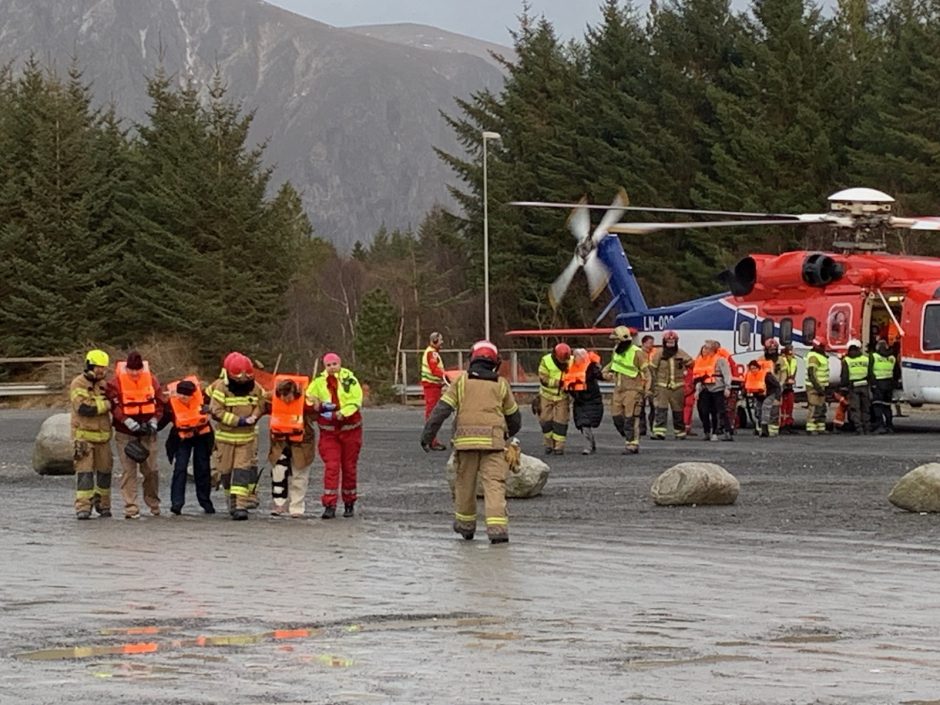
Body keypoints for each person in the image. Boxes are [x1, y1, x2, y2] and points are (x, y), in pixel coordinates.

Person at [420, 340, 521, 544]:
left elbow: (441, 410)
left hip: (465, 444)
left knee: (465, 485)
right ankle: (497, 530)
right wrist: (507, 434)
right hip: (493, 445)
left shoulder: (461, 382)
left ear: (472, 359)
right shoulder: (501, 384)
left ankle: (466, 527)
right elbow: (514, 416)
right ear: (495, 361)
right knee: (494, 486)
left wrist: (428, 436)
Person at [206, 352, 265, 520]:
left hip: (246, 438)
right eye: (239, 378)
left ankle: (241, 505)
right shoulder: (221, 387)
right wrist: (238, 421)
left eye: (246, 378)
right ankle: (231, 500)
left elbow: (261, 404)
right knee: (225, 471)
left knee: (242, 470)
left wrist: (254, 416)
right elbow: (216, 411)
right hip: (225, 437)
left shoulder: (255, 387)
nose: (243, 381)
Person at [106, 351, 164, 519]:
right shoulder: (116, 383)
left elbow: (160, 404)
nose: (134, 373)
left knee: (151, 470)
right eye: (131, 370)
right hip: (126, 433)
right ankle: (131, 507)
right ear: (126, 368)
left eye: (137, 370)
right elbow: (113, 405)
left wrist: (154, 420)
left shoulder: (152, 380)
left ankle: (153, 504)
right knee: (128, 471)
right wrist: (126, 420)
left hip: (148, 432)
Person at [306, 353, 363, 519]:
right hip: (329, 431)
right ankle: (329, 504)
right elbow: (308, 397)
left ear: (340, 364)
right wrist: (317, 403)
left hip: (350, 429)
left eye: (334, 364)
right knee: (331, 467)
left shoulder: (349, 380)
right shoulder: (318, 382)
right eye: (328, 365)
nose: (332, 367)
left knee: (349, 467)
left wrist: (341, 414)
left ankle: (349, 502)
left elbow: (355, 400)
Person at [70, 349, 114, 520]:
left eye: (103, 368)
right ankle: (83, 507)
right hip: (84, 438)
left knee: (105, 473)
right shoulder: (78, 383)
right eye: (98, 368)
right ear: (89, 365)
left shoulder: (104, 384)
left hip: (103, 438)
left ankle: (103, 505)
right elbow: (84, 408)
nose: (101, 371)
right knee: (85, 474)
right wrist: (107, 404)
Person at [267, 375, 317, 516]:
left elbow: (318, 412)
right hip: (280, 443)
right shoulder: (271, 399)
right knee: (278, 473)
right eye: (282, 396)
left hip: (302, 443)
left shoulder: (307, 402)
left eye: (288, 396)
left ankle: (297, 507)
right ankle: (278, 504)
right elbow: (259, 405)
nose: (285, 400)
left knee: (299, 476)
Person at [165, 377, 215, 515]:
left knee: (203, 468)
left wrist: (210, 411)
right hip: (181, 439)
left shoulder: (204, 400)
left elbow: (217, 410)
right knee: (180, 468)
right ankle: (177, 503)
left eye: (186, 395)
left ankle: (205, 502)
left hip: (202, 437)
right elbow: (162, 419)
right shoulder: (171, 404)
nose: (183, 398)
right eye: (181, 394)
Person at [603, 326, 651, 454]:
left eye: (617, 341)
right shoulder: (616, 351)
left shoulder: (637, 352)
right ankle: (628, 436)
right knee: (616, 417)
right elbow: (613, 364)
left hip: (633, 389)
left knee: (631, 418)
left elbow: (646, 373)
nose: (615, 343)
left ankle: (632, 444)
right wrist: (605, 373)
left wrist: (647, 390)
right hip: (618, 389)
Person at [648, 330, 692, 440]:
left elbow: (691, 363)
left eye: (673, 342)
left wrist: (685, 366)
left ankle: (680, 432)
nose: (670, 344)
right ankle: (659, 432)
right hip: (662, 386)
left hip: (678, 387)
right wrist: (652, 385)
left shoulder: (681, 353)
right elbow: (652, 369)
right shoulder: (659, 353)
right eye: (668, 342)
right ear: (664, 342)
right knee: (661, 409)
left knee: (678, 410)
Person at [563, 348, 604, 454]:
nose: (575, 358)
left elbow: (599, 374)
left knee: (585, 423)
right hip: (579, 400)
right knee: (582, 424)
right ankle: (590, 445)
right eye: (574, 356)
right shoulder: (570, 367)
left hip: (591, 399)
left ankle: (589, 446)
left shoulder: (591, 367)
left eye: (577, 356)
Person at [692, 340, 733, 441]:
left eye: (707, 347)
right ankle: (707, 432)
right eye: (704, 347)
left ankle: (723, 432)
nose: (704, 349)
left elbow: (727, 374)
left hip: (717, 388)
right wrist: (697, 390)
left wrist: (727, 388)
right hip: (705, 388)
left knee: (720, 411)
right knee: (704, 411)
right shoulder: (701, 361)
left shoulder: (720, 360)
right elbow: (699, 377)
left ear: (712, 349)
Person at [538, 343, 572, 455]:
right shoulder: (546, 360)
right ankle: (549, 444)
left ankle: (559, 447)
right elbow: (543, 379)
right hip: (546, 396)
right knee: (545, 420)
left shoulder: (571, 360)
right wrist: (559, 383)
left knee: (561, 421)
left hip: (562, 396)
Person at [420, 331, 448, 451]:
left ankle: (431, 440)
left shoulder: (432, 353)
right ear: (435, 340)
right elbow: (434, 370)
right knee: (432, 414)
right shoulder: (432, 353)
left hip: (434, 386)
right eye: (440, 340)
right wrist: (445, 376)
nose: (442, 342)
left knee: (433, 413)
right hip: (432, 387)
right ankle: (431, 441)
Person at [840, 338, 872, 434]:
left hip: (853, 387)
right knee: (865, 408)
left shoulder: (847, 360)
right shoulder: (866, 359)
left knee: (855, 409)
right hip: (864, 385)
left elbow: (844, 376)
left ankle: (859, 429)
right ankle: (867, 428)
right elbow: (870, 373)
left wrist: (843, 388)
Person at [804, 337, 830, 435]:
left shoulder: (820, 356)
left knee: (821, 407)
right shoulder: (814, 357)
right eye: (822, 346)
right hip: (814, 386)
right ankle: (811, 428)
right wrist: (818, 387)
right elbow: (812, 373)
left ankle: (820, 427)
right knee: (814, 407)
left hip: (821, 386)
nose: (824, 348)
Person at [759, 338, 784, 438]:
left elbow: (784, 373)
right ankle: (761, 428)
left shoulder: (781, 360)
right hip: (763, 387)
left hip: (775, 388)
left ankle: (773, 429)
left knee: (774, 408)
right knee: (760, 409)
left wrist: (781, 384)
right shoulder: (761, 359)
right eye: (770, 350)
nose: (772, 352)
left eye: (774, 350)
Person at [871, 339, 896, 433]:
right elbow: (896, 371)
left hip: (878, 384)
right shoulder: (892, 358)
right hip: (889, 384)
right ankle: (889, 425)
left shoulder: (874, 356)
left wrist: (872, 384)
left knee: (877, 405)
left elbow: (870, 371)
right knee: (887, 406)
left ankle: (880, 425)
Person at [638, 334, 657, 436]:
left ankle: (653, 426)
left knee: (654, 407)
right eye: (650, 343)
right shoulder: (638, 354)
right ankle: (642, 428)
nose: (652, 345)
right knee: (640, 407)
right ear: (644, 343)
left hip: (653, 383)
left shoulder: (655, 353)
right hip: (641, 383)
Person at [778, 345, 798, 433]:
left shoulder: (794, 360)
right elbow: (780, 372)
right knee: (783, 407)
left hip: (790, 386)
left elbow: (793, 371)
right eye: (793, 350)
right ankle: (782, 425)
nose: (794, 352)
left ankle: (788, 424)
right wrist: (786, 381)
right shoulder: (781, 360)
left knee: (789, 406)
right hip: (783, 386)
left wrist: (792, 379)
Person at [742, 359, 766, 434]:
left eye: (754, 368)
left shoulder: (763, 374)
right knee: (757, 412)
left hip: (763, 395)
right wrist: (744, 391)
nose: (753, 370)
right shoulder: (748, 374)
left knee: (762, 411)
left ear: (758, 368)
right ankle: (758, 428)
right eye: (751, 368)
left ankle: (762, 427)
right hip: (754, 395)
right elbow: (745, 384)